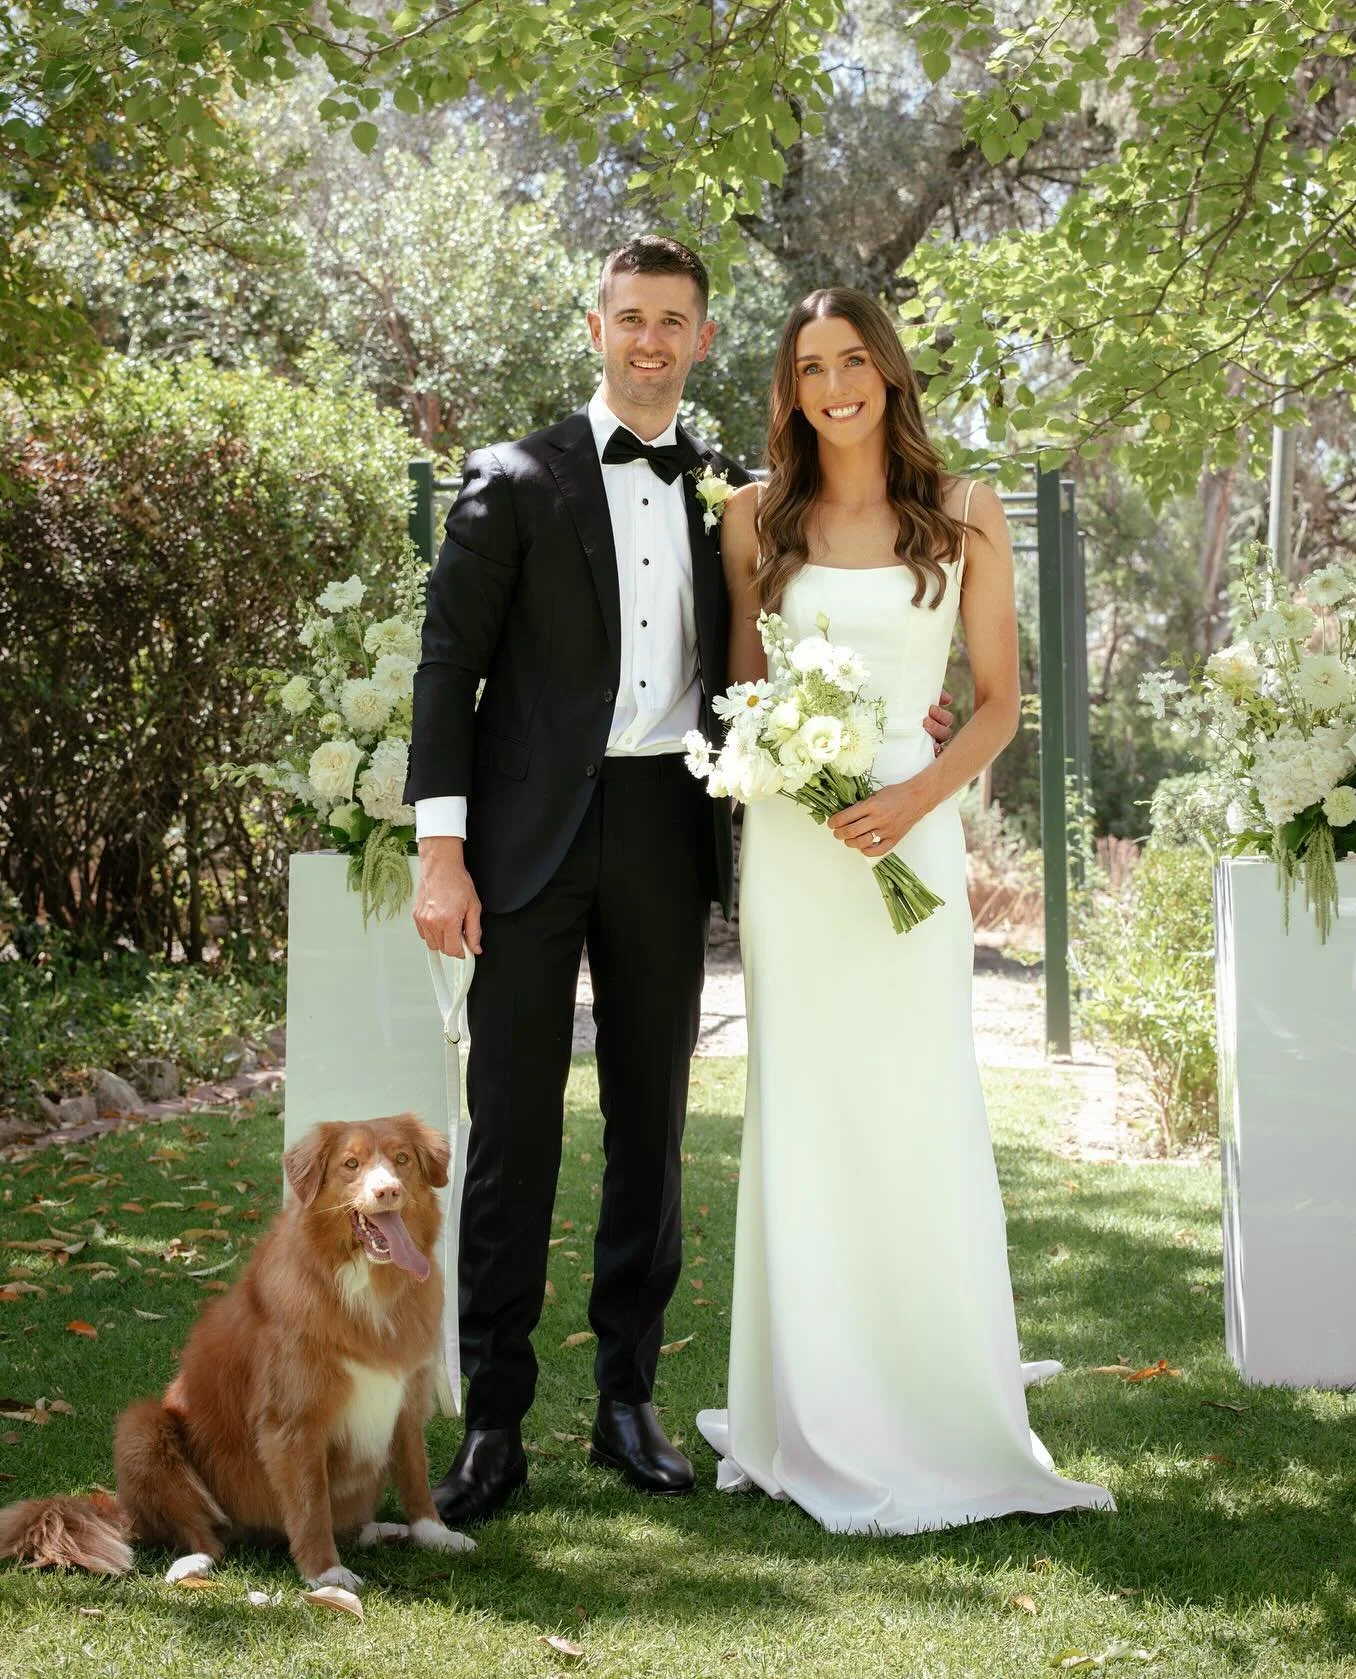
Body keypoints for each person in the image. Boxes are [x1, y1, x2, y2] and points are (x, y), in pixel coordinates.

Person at [405, 238, 954, 1523]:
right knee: (516, 1133)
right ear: (594, 326)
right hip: (527, 839)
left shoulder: (736, 495)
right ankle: (492, 1420)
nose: (651, 341)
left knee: (651, 1125)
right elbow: (447, 669)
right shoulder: (513, 478)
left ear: (704, 338)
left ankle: (628, 1402)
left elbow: (807, 630)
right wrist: (442, 844)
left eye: (675, 322)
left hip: (670, 823)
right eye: (631, 318)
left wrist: (902, 726)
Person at [695, 287, 1115, 1533]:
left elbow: (995, 700)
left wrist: (918, 792)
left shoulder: (969, 513)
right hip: (795, 842)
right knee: (808, 1103)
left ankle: (933, 1379)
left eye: (853, 360)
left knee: (917, 1095)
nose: (834, 385)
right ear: (790, 387)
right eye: (810, 366)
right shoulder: (751, 519)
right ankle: (810, 1393)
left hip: (913, 836)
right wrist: (804, 774)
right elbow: (745, 690)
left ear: (888, 370)